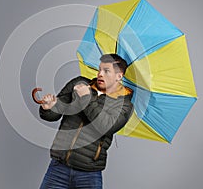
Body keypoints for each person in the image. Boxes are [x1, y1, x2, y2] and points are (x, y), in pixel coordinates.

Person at [39, 54, 134, 189]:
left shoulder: (124, 105)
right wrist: (48, 108)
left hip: (89, 174)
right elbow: (55, 113)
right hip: (58, 167)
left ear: (119, 76)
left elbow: (105, 126)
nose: (100, 74)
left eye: (106, 71)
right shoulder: (79, 84)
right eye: (99, 69)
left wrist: (86, 98)